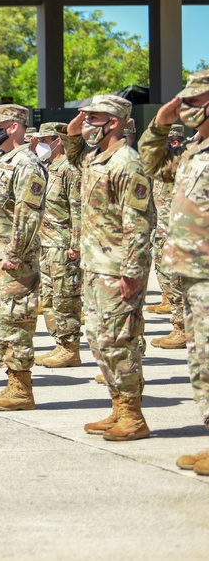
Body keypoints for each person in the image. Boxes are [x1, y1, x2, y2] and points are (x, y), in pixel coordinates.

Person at [66, 94, 155, 440]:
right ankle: (118, 406)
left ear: (114, 122)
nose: (86, 123)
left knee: (121, 341)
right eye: (86, 118)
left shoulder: (127, 163)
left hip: (118, 268)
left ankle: (133, 416)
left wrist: (132, 272)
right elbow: (70, 140)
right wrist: (84, 118)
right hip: (95, 265)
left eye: (95, 118)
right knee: (99, 340)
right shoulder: (95, 158)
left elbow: (139, 224)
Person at [139, 70, 209, 468]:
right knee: (201, 361)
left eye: (195, 102)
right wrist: (159, 125)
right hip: (194, 275)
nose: (187, 109)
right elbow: (153, 164)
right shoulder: (194, 150)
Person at [0, 104, 47, 411]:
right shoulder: (1, 160)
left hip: (13, 259)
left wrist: (16, 252)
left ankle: (21, 390)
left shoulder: (27, 164)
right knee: (0, 323)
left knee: (15, 321)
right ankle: (12, 383)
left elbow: (27, 214)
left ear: (13, 127)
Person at [35, 122, 84, 368]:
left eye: (44, 139)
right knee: (50, 298)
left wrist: (76, 244)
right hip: (45, 243)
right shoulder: (46, 167)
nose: (39, 144)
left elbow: (77, 209)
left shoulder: (69, 169)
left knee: (66, 298)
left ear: (58, 140)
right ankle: (59, 344)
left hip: (63, 245)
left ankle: (70, 347)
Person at [146, 123, 188, 350]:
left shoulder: (184, 166)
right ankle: (176, 319)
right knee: (167, 277)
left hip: (179, 234)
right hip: (162, 232)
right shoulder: (161, 168)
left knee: (179, 281)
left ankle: (182, 329)